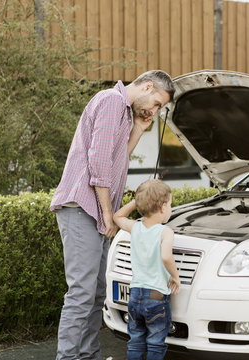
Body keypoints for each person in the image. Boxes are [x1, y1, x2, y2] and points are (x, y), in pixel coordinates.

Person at [49, 70, 175, 360]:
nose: (154, 111)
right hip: (82, 208)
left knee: (95, 293)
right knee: (81, 293)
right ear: (146, 86)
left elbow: (117, 158)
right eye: (156, 103)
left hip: (94, 210)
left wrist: (139, 130)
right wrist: (108, 213)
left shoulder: (125, 114)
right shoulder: (109, 102)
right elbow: (99, 165)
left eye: (159, 109)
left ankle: (88, 355)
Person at [113, 179, 180, 360]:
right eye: (171, 205)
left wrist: (138, 202)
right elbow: (166, 257)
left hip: (135, 294)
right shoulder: (165, 232)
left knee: (135, 340)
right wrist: (175, 277)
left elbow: (117, 217)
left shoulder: (135, 228)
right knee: (155, 342)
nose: (171, 209)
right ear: (162, 207)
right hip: (156, 296)